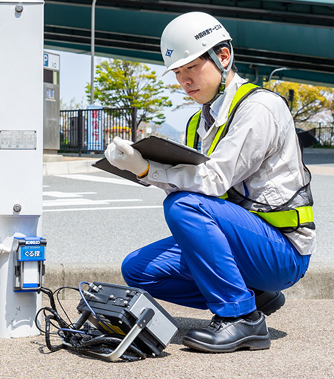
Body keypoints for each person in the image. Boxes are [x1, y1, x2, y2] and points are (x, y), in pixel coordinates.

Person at [104, 12, 315, 353]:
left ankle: (241, 317)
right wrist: (136, 166)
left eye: (191, 68)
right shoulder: (197, 123)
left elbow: (213, 182)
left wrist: (146, 170)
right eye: (177, 73)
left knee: (183, 205)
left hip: (282, 250)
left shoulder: (258, 107)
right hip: (242, 242)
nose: (184, 80)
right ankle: (252, 294)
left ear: (223, 56)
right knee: (139, 270)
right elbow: (192, 181)